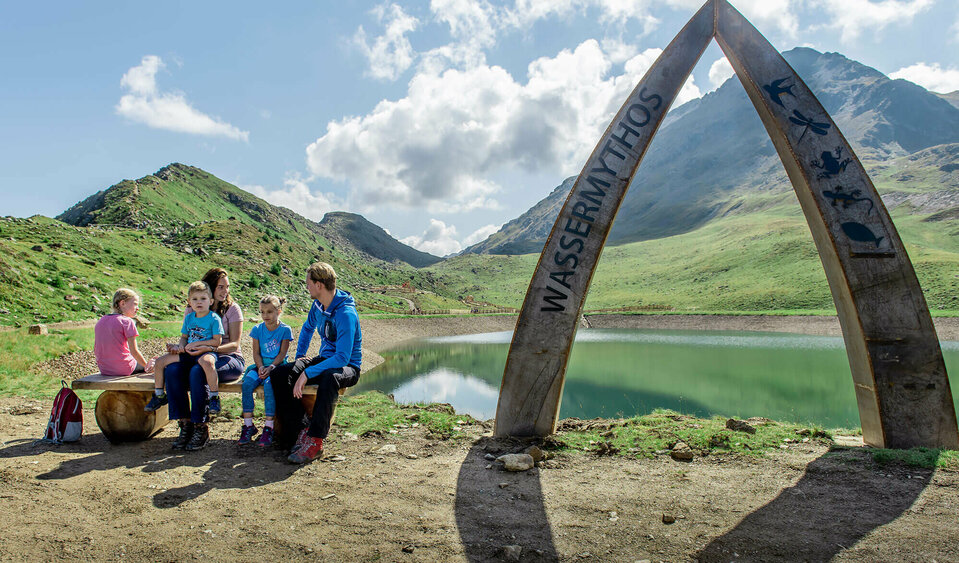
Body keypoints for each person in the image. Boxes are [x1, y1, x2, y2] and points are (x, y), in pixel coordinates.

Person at [270, 262, 362, 464]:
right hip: (326, 359)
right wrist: (301, 357)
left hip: (348, 367)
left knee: (330, 377)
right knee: (279, 374)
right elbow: (307, 328)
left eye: (308, 283)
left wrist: (308, 373)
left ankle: (316, 441)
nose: (307, 287)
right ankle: (301, 429)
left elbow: (343, 358)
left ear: (319, 284)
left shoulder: (346, 314)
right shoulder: (318, 306)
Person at [161, 268, 245, 450]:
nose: (226, 291)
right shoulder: (192, 309)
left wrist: (209, 348)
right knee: (172, 370)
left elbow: (235, 344)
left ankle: (201, 426)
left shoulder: (232, 309)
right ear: (210, 288)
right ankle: (185, 424)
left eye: (227, 287)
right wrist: (180, 348)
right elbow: (187, 337)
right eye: (221, 287)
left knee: (198, 372)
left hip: (228, 358)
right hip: (197, 357)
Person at [145, 281, 223, 415]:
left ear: (210, 301)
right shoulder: (189, 318)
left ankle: (214, 397)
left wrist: (198, 345)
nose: (199, 302)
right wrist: (180, 346)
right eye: (195, 299)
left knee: (208, 363)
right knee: (160, 362)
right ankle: (159, 395)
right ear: (189, 302)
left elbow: (217, 341)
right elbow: (184, 337)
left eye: (203, 299)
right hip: (188, 352)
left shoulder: (214, 318)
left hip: (205, 351)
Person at [237, 295, 293, 447]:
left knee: (269, 386)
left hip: (277, 367)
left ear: (278, 312)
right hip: (260, 366)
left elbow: (282, 354)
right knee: (247, 383)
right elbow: (256, 353)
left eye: (269, 312)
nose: (265, 316)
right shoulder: (257, 329)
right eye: (262, 312)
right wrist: (261, 366)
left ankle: (269, 427)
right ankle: (248, 425)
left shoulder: (285, 330)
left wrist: (271, 367)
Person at [94, 288, 152, 376]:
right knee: (153, 364)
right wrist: (147, 367)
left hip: (105, 369)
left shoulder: (101, 320)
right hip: (124, 369)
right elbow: (134, 351)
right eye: (135, 304)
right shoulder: (127, 321)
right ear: (122, 303)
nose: (138, 308)